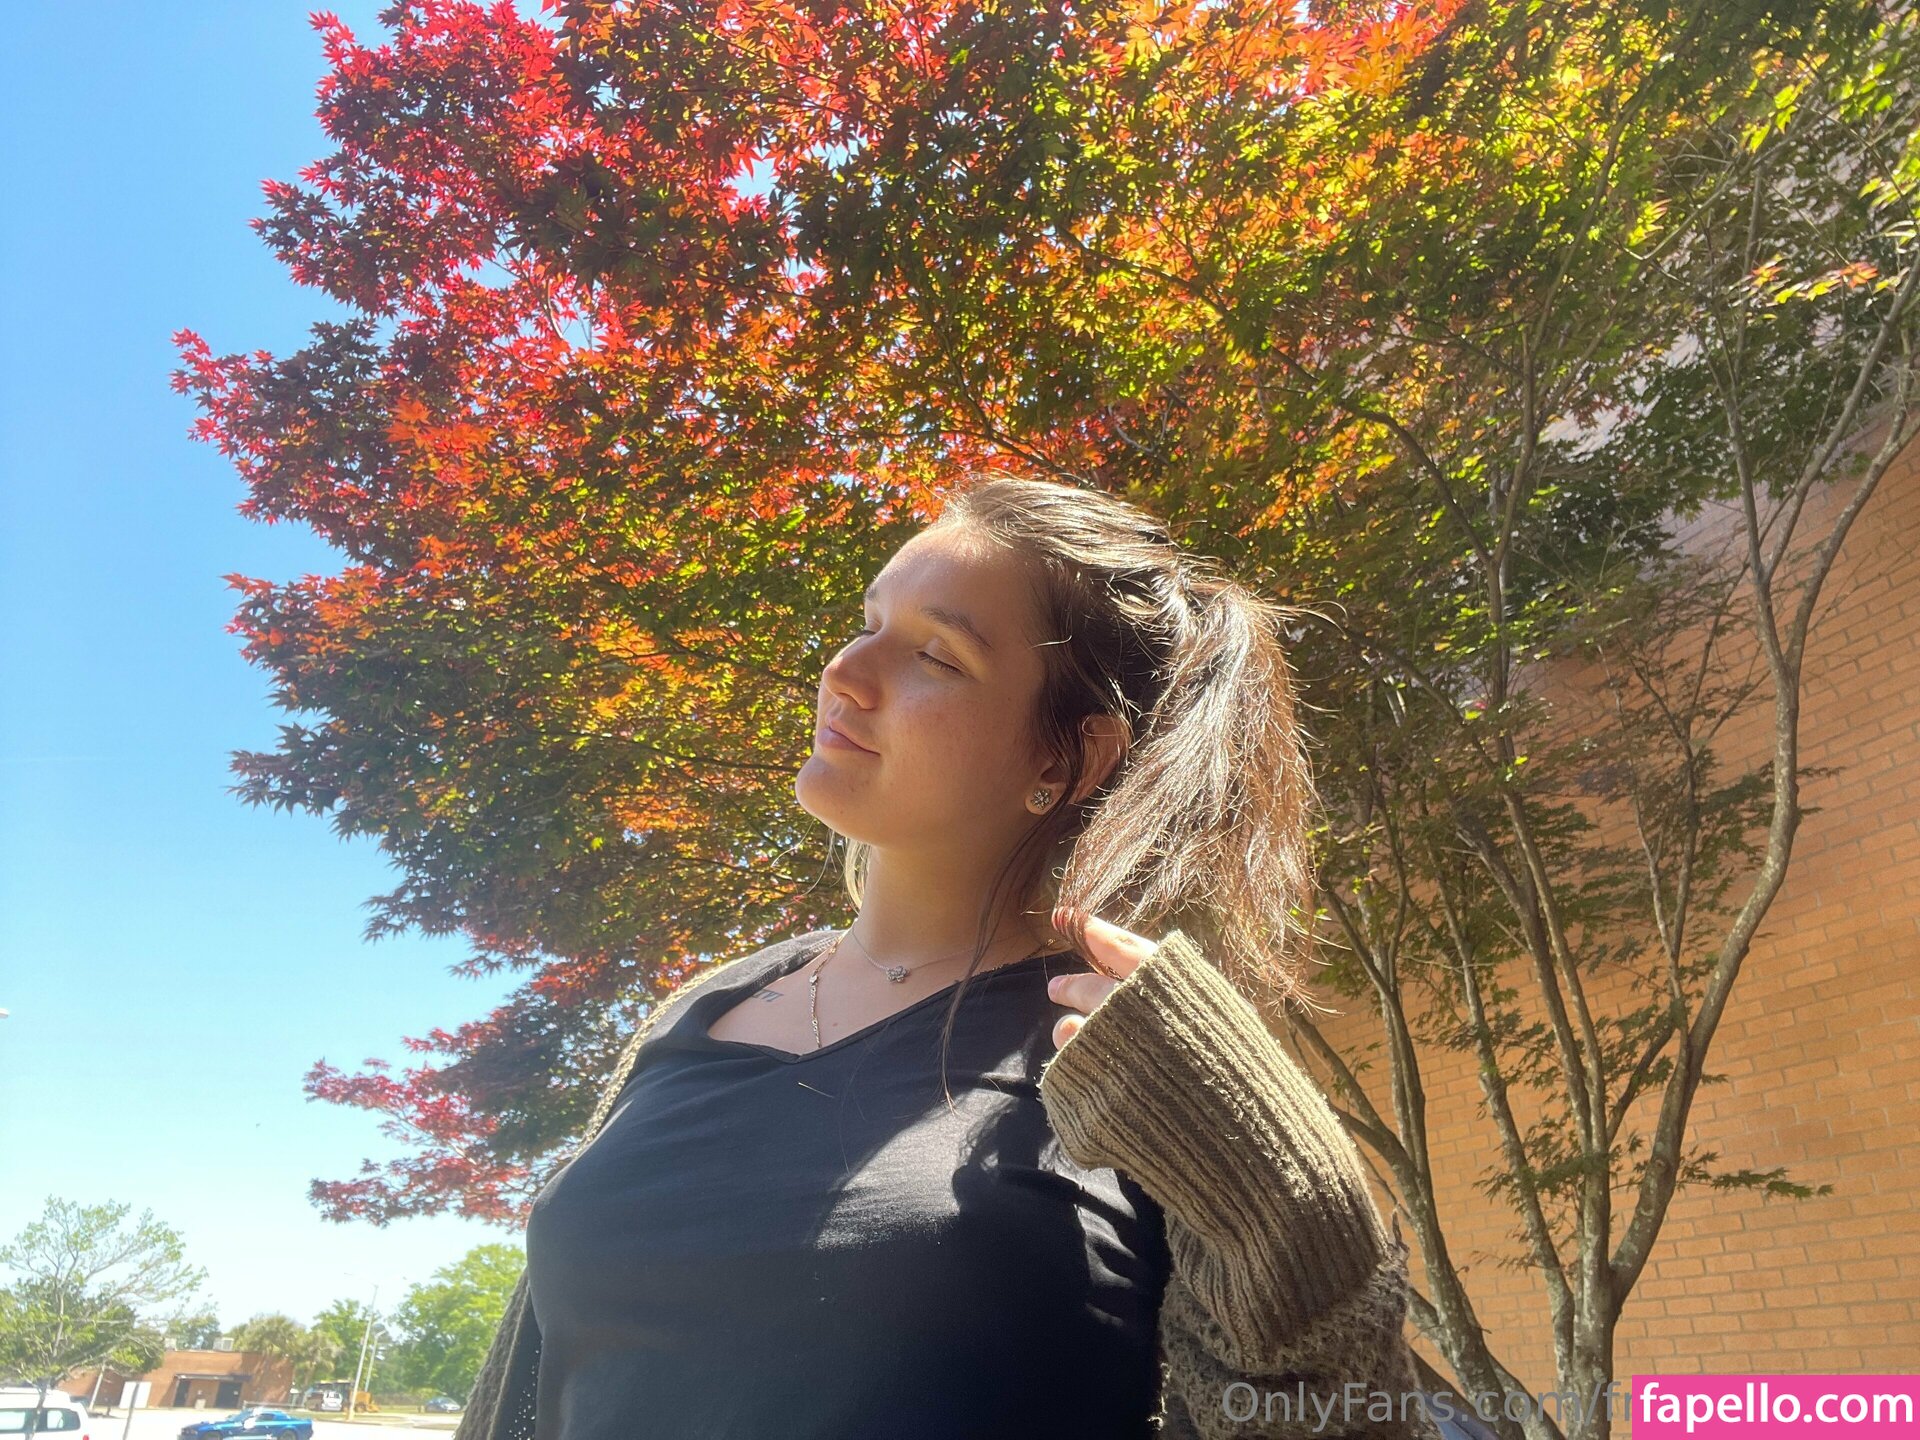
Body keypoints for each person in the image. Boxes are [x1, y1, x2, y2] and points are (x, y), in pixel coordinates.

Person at [457, 477, 1441, 1439]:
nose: (846, 672)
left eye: (936, 654)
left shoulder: (1133, 1054)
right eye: (868, 622)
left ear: (1065, 759)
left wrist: (1288, 1185)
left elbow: (1339, 1410)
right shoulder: (707, 1007)